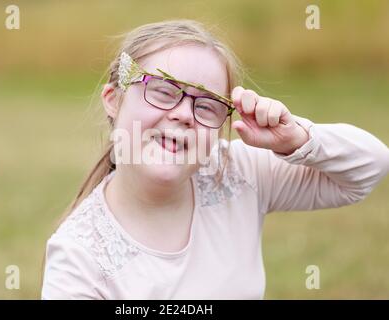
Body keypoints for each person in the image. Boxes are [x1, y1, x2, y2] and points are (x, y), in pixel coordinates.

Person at [41, 19, 389, 299]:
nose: (183, 114)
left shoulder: (237, 171)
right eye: (162, 91)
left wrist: (297, 137)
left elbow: (370, 165)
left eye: (205, 105)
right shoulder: (79, 256)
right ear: (113, 99)